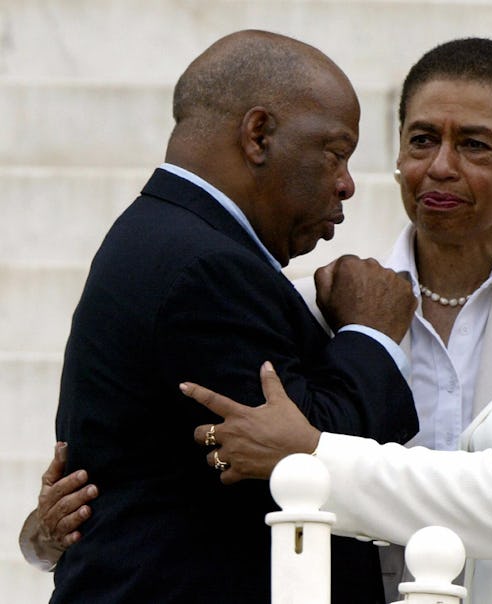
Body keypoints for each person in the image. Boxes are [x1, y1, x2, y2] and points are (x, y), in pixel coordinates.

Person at [24, 38, 492, 599]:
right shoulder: (343, 301)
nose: (445, 168)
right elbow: (162, 461)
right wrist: (50, 531)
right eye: (423, 140)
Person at [31, 30, 419, 604]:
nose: (347, 183)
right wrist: (371, 333)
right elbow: (312, 459)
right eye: (336, 153)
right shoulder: (204, 266)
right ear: (258, 134)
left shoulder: (173, 237)